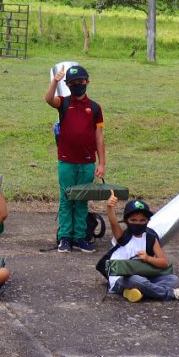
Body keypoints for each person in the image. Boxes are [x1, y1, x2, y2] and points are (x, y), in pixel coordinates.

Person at [43, 64, 105, 254]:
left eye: (81, 81)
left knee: (81, 200)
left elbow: (99, 136)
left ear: (87, 82)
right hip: (66, 161)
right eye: (73, 82)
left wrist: (101, 162)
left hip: (87, 162)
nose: (78, 85)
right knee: (66, 198)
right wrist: (55, 81)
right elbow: (48, 99)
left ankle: (79, 237)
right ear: (68, 85)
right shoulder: (64, 103)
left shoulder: (95, 108)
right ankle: (64, 238)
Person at [97, 191, 179, 303]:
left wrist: (148, 258)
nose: (138, 223)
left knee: (173, 279)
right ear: (126, 221)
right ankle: (171, 294)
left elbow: (164, 263)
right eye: (133, 220)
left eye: (142, 220)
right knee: (137, 280)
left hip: (145, 276)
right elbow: (113, 223)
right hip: (121, 278)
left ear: (147, 221)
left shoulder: (151, 238)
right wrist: (109, 206)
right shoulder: (123, 237)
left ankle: (134, 292)